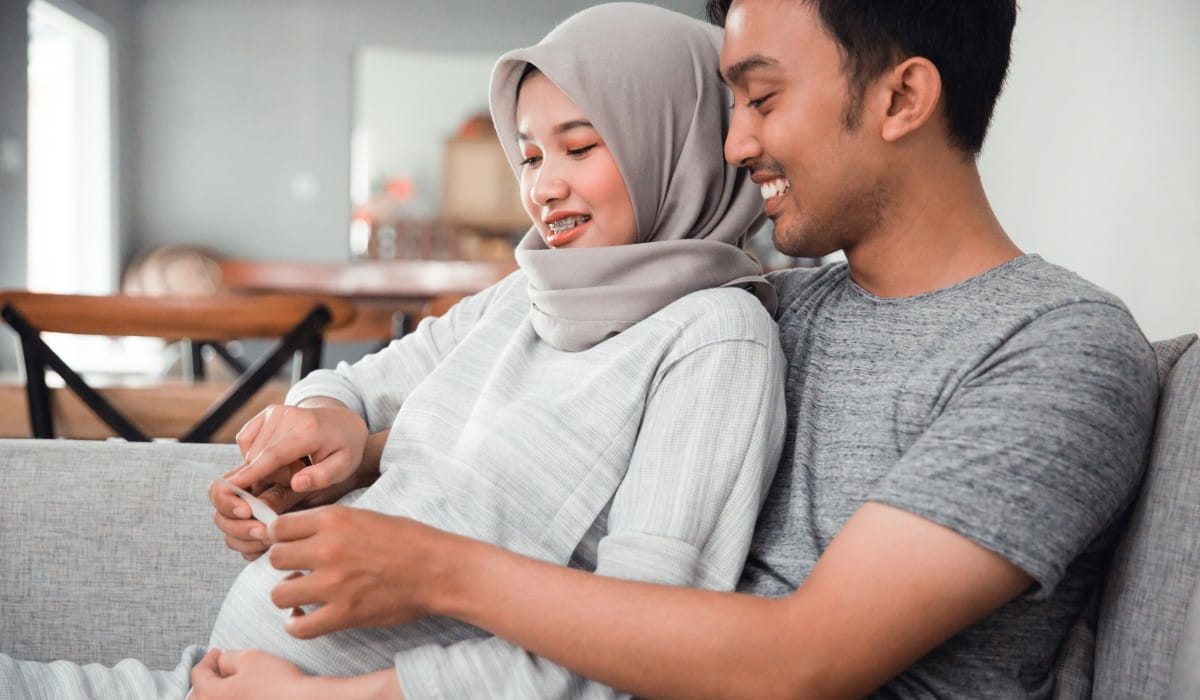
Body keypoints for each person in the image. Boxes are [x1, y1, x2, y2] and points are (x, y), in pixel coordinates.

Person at [227, 0, 1163, 697]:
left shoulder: (1054, 348)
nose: (730, 140)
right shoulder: (746, 306)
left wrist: (427, 572)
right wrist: (343, 450)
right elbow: (543, 442)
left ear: (902, 97)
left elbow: (806, 660)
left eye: (759, 98)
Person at [0, 3, 787, 699]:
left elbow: (646, 654)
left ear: (677, 144)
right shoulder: (530, 293)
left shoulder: (714, 337)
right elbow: (354, 386)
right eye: (533, 155)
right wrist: (306, 439)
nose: (542, 188)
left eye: (580, 147)